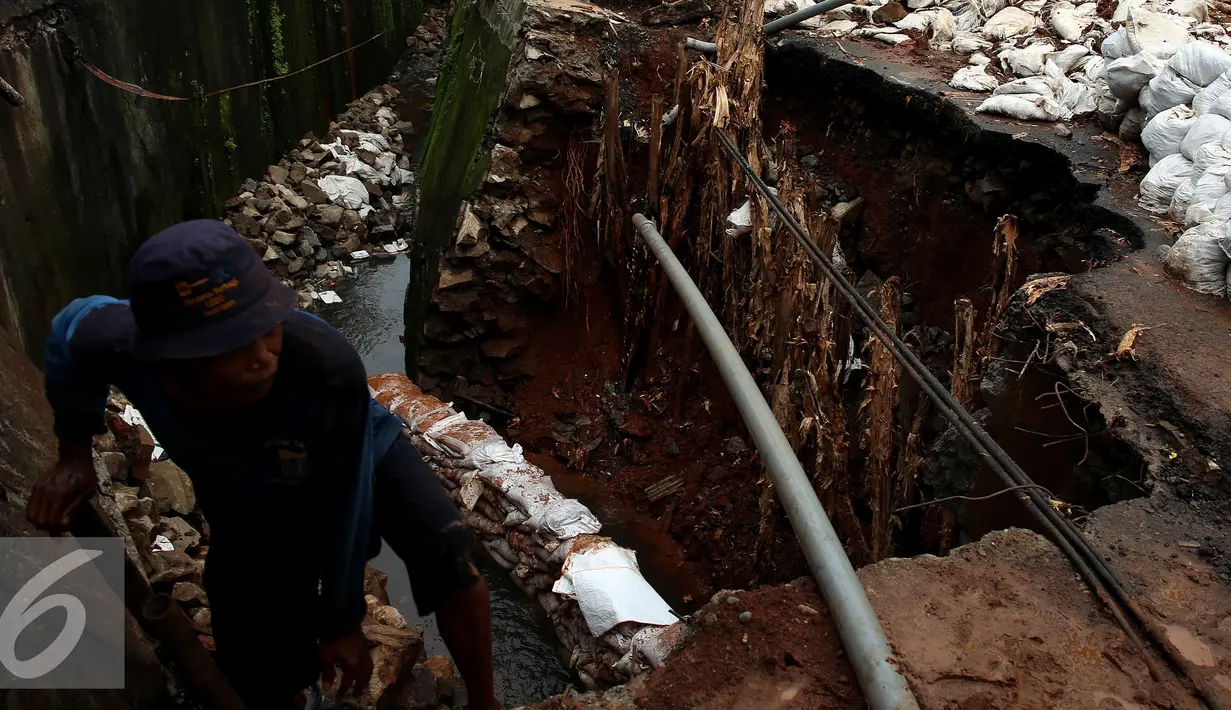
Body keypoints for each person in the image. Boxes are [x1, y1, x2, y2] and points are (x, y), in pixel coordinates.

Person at [27, 220, 500, 710]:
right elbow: (68, 330)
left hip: (355, 450)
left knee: (445, 547)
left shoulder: (322, 365)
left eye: (267, 327)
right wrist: (74, 456)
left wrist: (342, 619)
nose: (262, 357)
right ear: (172, 355)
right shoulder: (122, 343)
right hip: (240, 485)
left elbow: (345, 503)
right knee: (250, 639)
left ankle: (485, 703)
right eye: (232, 345)